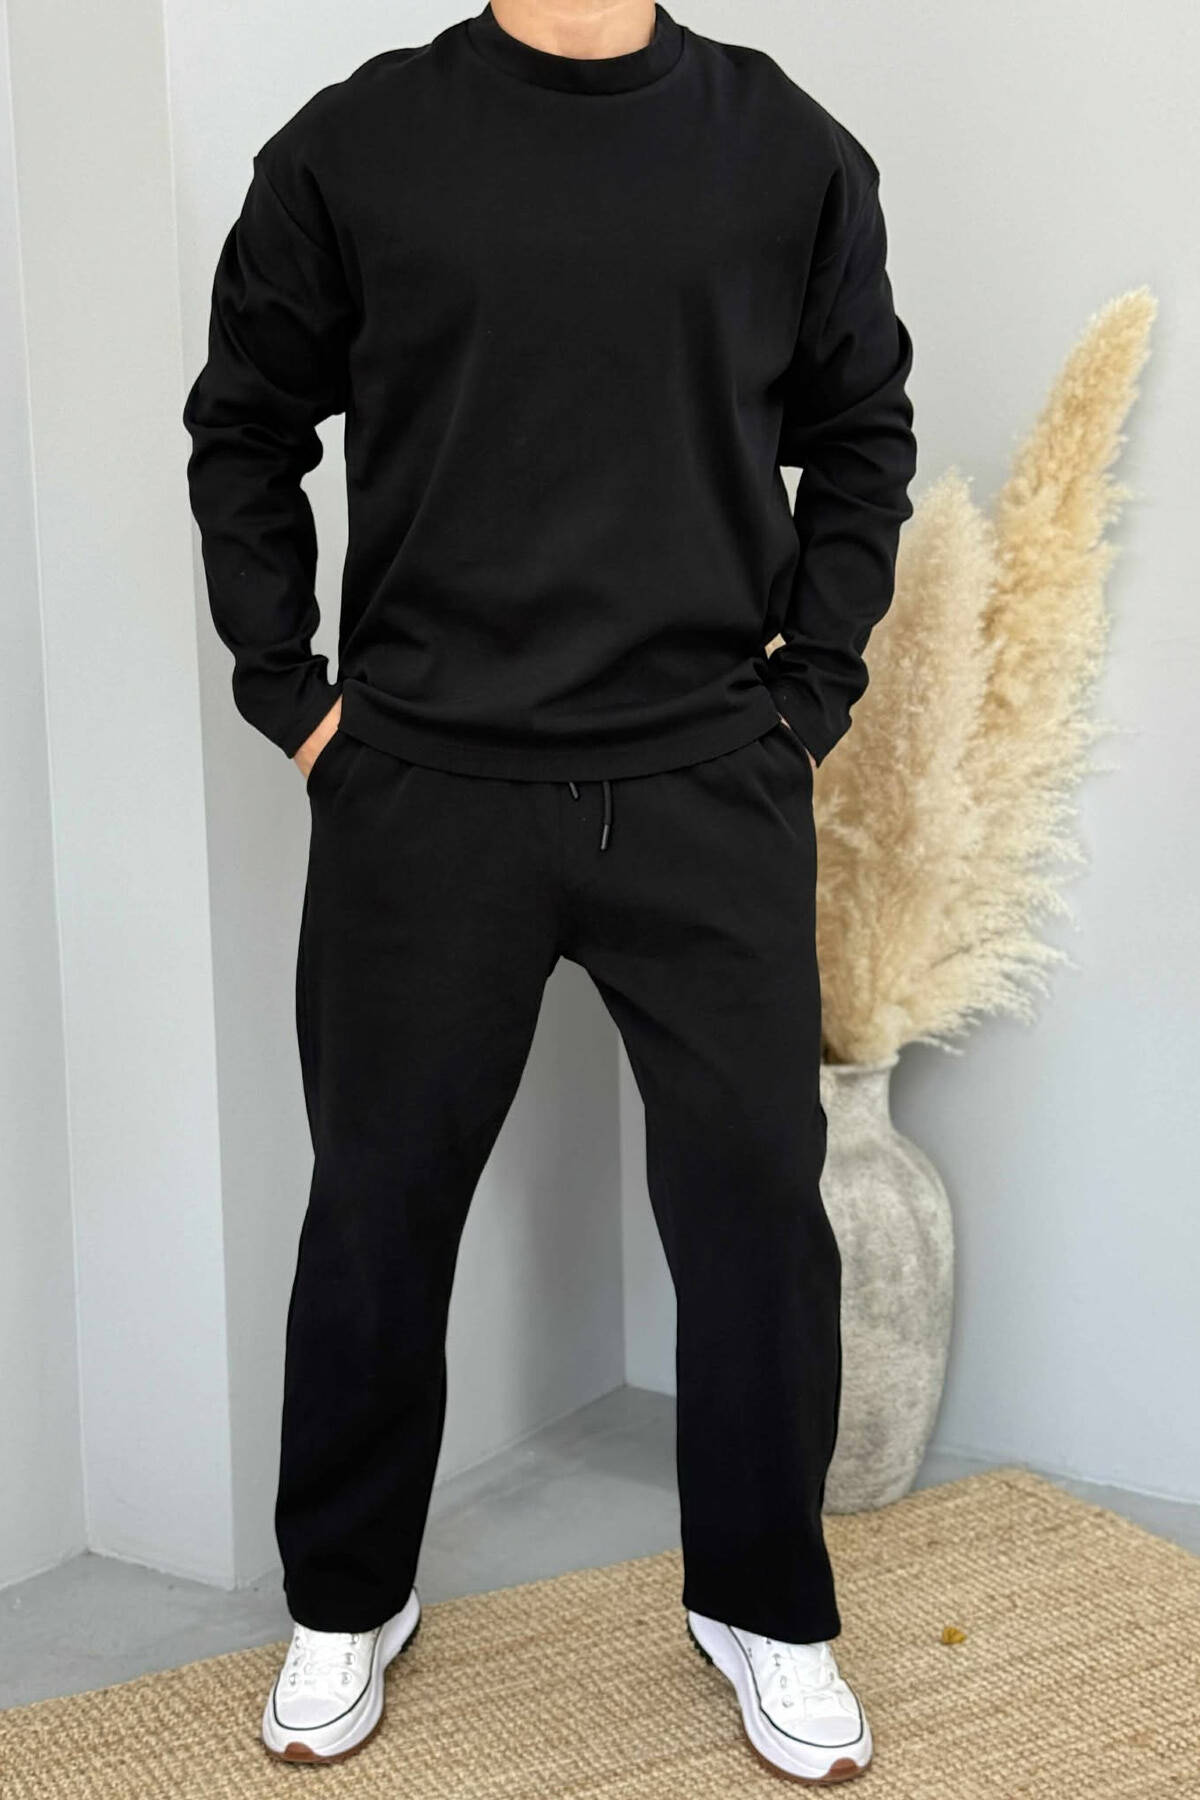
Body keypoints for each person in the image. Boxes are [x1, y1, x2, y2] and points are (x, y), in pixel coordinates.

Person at [182, 0, 916, 1781]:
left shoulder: (785, 148)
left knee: (757, 1220)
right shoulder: (358, 144)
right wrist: (294, 698)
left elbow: (863, 436)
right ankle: (347, 1596)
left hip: (705, 781)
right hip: (425, 788)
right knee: (376, 1212)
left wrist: (809, 697)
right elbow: (244, 423)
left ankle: (765, 1604)